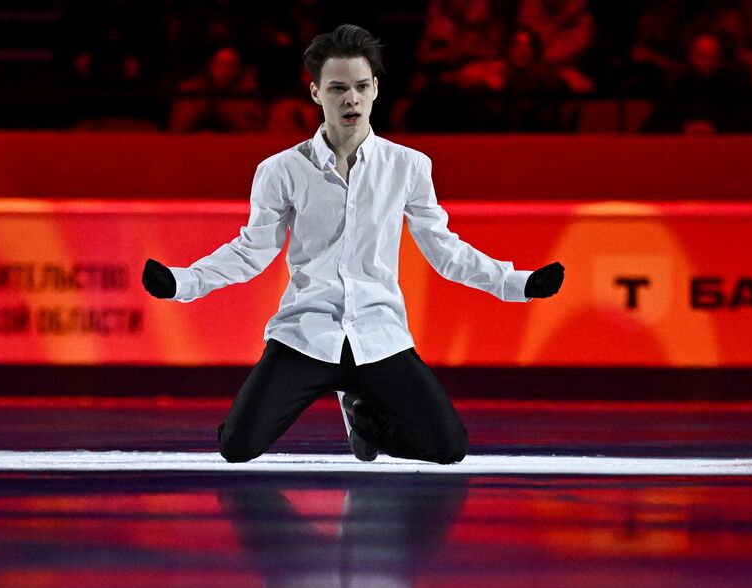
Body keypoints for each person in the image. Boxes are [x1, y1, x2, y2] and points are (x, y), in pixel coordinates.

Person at [141, 24, 566, 465]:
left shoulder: (408, 166)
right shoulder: (281, 170)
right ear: (315, 93)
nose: (351, 99)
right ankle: (339, 401)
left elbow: (444, 249)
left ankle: (365, 422)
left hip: (379, 336)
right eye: (338, 88)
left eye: (361, 87)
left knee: (448, 447)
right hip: (305, 334)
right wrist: (181, 281)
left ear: (376, 89)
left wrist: (518, 283)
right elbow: (252, 249)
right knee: (237, 447)